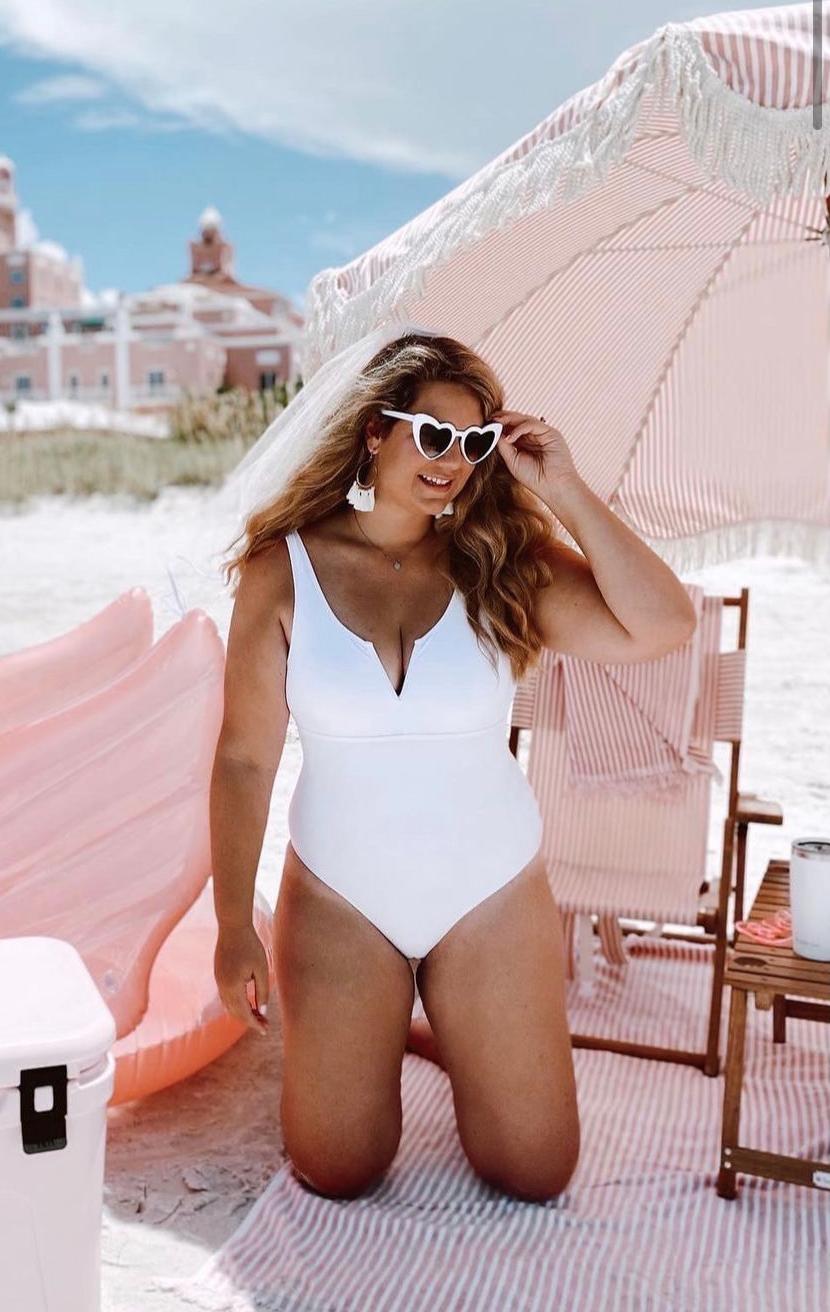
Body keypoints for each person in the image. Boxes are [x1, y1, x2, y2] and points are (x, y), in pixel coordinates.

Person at [208, 330, 696, 1204]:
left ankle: (430, 1016)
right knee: (338, 1170)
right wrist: (231, 924)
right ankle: (388, 1016)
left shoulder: (498, 564)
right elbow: (245, 759)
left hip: (489, 892)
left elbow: (664, 625)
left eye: (473, 443)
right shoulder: (280, 568)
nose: (453, 460)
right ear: (373, 431)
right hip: (340, 897)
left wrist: (563, 489)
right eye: (431, 434)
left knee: (534, 1174)